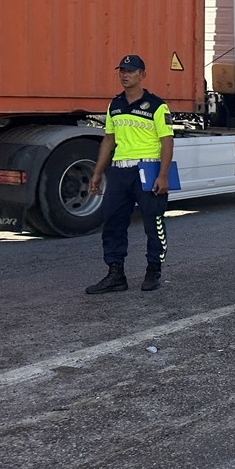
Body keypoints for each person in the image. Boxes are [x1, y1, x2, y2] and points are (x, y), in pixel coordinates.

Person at [85, 55, 174, 294]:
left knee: (152, 222)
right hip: (120, 171)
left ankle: (153, 270)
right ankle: (116, 275)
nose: (125, 75)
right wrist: (97, 172)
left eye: (131, 71)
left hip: (148, 169)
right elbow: (108, 139)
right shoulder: (114, 105)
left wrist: (163, 174)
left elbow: (167, 141)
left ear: (142, 74)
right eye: (122, 71)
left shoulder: (156, 105)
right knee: (113, 222)